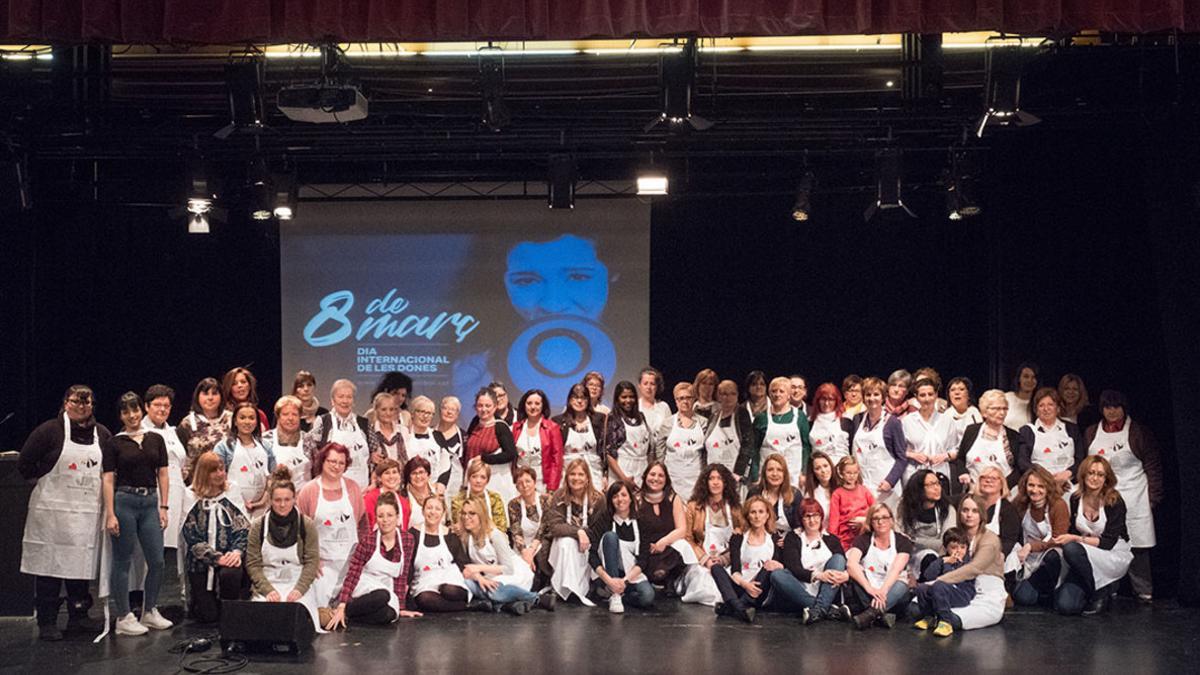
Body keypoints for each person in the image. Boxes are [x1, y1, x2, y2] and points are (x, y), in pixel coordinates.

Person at [19, 385, 110, 641]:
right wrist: (40, 483)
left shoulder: (101, 434)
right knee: (49, 566)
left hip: (85, 515)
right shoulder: (49, 431)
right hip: (52, 514)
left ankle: (79, 615)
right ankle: (47, 620)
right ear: (65, 403)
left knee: (81, 565)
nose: (81, 407)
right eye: (76, 402)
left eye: (87, 403)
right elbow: (25, 463)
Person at [102, 392, 172, 636]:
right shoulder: (114, 442)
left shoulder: (156, 439)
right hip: (125, 501)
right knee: (122, 560)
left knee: (158, 560)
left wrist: (164, 506)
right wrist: (110, 513)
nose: (131, 416)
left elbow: (163, 473)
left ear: (142, 410)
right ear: (120, 415)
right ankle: (123, 616)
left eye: (134, 410)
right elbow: (108, 479)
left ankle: (150, 610)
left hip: (150, 502)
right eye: (125, 412)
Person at [1084, 390, 1162, 602]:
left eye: (1116, 406)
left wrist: (1153, 497)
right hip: (1102, 496)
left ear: (1124, 408)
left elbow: (1152, 466)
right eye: (1107, 407)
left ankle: (1143, 591)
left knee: (1138, 546)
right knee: (1106, 543)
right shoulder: (1092, 432)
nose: (1112, 411)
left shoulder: (1138, 432)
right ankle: (1110, 589)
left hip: (1134, 493)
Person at [913, 494, 1008, 635]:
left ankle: (943, 620)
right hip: (951, 584)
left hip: (984, 586)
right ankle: (934, 617)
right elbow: (940, 561)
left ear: (981, 514)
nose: (969, 515)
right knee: (913, 609)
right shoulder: (954, 534)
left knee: (954, 619)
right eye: (965, 510)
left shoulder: (990, 539)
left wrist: (939, 581)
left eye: (974, 511)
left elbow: (974, 568)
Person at [245, 466, 323, 632]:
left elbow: (311, 561)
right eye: (278, 500)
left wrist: (299, 590)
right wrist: (267, 590)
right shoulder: (258, 526)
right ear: (270, 500)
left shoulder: (306, 524)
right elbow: (252, 563)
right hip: (268, 582)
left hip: (297, 581)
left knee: (297, 622)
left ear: (294, 499)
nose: (282, 505)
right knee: (263, 625)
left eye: (287, 500)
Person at [1053, 456, 1134, 615]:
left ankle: (1101, 591)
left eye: (1100, 474)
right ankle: (1094, 586)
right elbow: (1075, 529)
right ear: (1083, 475)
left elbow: (1108, 543)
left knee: (1071, 548)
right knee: (1065, 606)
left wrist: (1076, 539)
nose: (1095, 478)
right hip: (1085, 555)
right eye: (1091, 473)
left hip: (1111, 554)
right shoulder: (1076, 498)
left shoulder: (1114, 501)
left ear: (1106, 479)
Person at [326, 492, 422, 628]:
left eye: (390, 515)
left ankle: (349, 617)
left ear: (397, 517)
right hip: (365, 587)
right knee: (381, 596)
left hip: (388, 589)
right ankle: (345, 610)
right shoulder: (368, 541)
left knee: (389, 615)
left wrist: (400, 608)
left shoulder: (407, 540)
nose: (385, 520)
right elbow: (353, 573)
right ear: (376, 518)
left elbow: (402, 575)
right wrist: (342, 604)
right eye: (381, 516)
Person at [181, 452, 250, 623]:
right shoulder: (190, 496)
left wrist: (235, 552)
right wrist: (215, 558)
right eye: (214, 471)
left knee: (231, 575)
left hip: (229, 557)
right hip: (201, 562)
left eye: (222, 469)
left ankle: (231, 607)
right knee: (208, 616)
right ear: (204, 473)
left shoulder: (231, 491)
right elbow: (192, 537)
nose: (220, 474)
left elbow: (242, 527)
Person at [297, 443, 367, 608]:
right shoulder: (309, 491)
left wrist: (362, 559)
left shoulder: (353, 488)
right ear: (322, 461)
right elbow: (300, 532)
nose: (336, 466)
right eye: (332, 462)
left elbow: (363, 526)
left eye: (341, 463)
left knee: (380, 599)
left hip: (351, 563)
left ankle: (346, 612)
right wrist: (310, 561)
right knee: (319, 605)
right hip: (323, 566)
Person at [460, 495, 552, 614]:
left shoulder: (494, 536)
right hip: (490, 577)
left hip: (513, 573)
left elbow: (508, 569)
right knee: (465, 583)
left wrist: (478, 568)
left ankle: (535, 598)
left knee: (494, 591)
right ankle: (507, 605)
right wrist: (480, 577)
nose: (466, 517)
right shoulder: (467, 538)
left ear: (481, 515)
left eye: (472, 513)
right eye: (464, 513)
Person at [538, 459, 607, 605]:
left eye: (581, 474)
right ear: (567, 477)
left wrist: (584, 535)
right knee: (566, 543)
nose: (576, 478)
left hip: (589, 543)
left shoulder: (598, 499)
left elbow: (599, 529)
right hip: (562, 541)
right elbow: (555, 527)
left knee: (576, 545)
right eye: (572, 474)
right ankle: (562, 587)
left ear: (587, 478)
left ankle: (581, 588)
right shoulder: (559, 496)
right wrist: (578, 532)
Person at [771, 498, 849, 624]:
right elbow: (794, 568)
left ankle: (818, 609)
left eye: (816, 515)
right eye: (807, 516)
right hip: (801, 587)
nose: (812, 520)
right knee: (777, 575)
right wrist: (819, 576)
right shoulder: (793, 537)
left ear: (821, 516)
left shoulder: (832, 539)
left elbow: (842, 564)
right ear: (801, 519)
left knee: (838, 559)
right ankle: (826, 609)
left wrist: (846, 575)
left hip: (827, 588)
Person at [711, 496, 779, 624]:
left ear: (767, 515)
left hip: (759, 589)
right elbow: (735, 571)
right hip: (741, 584)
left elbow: (778, 566)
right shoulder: (738, 537)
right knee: (715, 568)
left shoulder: (775, 538)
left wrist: (778, 565)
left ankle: (731, 607)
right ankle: (741, 608)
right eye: (753, 512)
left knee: (769, 566)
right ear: (747, 516)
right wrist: (745, 585)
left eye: (761, 512)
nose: (757, 516)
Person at [408, 495, 480, 613]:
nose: (433, 512)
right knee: (425, 599)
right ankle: (467, 607)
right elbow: (408, 565)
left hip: (448, 577)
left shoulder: (450, 535)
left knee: (448, 590)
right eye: (429, 508)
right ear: (423, 510)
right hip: (424, 580)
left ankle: (452, 602)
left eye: (437, 509)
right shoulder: (412, 534)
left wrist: (479, 579)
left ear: (443, 513)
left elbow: (462, 562)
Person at [139, 384, 189, 556]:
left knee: (168, 552)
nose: (162, 409)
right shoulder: (137, 431)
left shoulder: (175, 432)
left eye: (166, 406)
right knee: (147, 550)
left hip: (176, 497)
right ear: (146, 406)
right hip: (150, 498)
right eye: (157, 405)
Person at [845, 503, 912, 629]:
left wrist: (883, 591)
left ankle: (870, 614)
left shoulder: (903, 541)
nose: (881, 522)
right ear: (871, 522)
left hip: (891, 590)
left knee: (902, 585)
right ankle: (881, 616)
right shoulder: (863, 539)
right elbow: (851, 564)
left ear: (891, 520)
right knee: (855, 577)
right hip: (869, 592)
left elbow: (896, 569)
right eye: (876, 519)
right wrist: (870, 588)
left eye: (884, 518)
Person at [1010, 466, 1069, 607]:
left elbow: (1058, 538)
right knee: (1023, 598)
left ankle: (1054, 589)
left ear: (1048, 487)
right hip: (1029, 558)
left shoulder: (1058, 505)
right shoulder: (1021, 503)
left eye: (1040, 486)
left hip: (1053, 555)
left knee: (1052, 557)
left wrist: (1031, 546)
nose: (1035, 490)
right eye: (1031, 485)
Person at [593, 480, 655, 613]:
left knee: (647, 597)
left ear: (631, 498)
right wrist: (610, 581)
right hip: (609, 573)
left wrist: (624, 582)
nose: (620, 499)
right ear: (610, 501)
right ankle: (614, 595)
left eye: (623, 495)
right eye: (615, 496)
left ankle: (622, 595)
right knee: (610, 537)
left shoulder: (642, 522)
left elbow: (644, 559)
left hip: (631, 575)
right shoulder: (605, 519)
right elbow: (591, 555)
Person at [849, 377, 906, 509]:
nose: (872, 398)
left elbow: (902, 458)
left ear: (883, 397)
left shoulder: (893, 422)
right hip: (862, 487)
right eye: (868, 395)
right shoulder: (857, 419)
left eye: (876, 394)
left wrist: (890, 481)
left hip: (886, 489)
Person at [304, 379, 372, 490]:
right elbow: (311, 453)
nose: (345, 401)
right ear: (332, 400)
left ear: (353, 401)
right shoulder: (323, 422)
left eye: (349, 397)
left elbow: (376, 454)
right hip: (330, 487)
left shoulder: (364, 423)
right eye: (341, 397)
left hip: (361, 488)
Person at [213, 401, 276, 518]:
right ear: (235, 421)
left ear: (257, 422)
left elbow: (273, 475)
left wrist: (264, 498)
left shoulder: (266, 446)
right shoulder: (223, 447)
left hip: (262, 507)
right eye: (242, 418)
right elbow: (216, 478)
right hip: (231, 506)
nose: (247, 422)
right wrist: (237, 500)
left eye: (251, 418)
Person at [1017, 387, 1085, 493]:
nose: (1046, 409)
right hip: (1038, 485)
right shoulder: (1027, 431)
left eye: (1050, 405)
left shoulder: (1072, 429)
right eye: (1041, 405)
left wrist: (1068, 473)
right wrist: (1044, 478)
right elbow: (1023, 462)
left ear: (1057, 408)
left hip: (1068, 484)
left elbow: (1080, 458)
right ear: (1036, 410)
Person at [635, 462, 689, 588]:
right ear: (645, 476)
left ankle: (670, 578)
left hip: (669, 545)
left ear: (666, 479)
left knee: (681, 547)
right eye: (652, 474)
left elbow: (682, 529)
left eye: (661, 476)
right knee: (655, 570)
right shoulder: (637, 499)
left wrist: (664, 542)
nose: (656, 479)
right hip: (648, 549)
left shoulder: (673, 498)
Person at [896, 468, 958, 580]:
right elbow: (899, 536)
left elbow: (947, 542)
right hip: (908, 556)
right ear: (919, 488)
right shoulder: (903, 508)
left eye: (937, 483)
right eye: (931, 485)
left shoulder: (947, 510)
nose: (937, 488)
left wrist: (914, 541)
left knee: (930, 558)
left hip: (938, 556)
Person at [955, 389, 1020, 491]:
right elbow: (960, 459)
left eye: (1004, 409)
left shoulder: (1013, 436)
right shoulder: (971, 431)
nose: (1002, 413)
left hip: (1003, 494)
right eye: (996, 409)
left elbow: (1018, 470)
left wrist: (1002, 486)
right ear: (984, 412)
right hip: (973, 493)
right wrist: (964, 473)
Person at [753, 376, 812, 486]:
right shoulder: (761, 418)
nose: (777, 394)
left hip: (793, 475)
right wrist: (755, 475)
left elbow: (806, 446)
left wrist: (804, 473)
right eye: (774, 391)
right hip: (767, 475)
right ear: (769, 394)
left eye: (781, 391)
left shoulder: (800, 417)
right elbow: (755, 448)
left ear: (789, 395)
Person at [684, 464, 744, 571]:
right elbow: (688, 538)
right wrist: (704, 559)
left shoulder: (735, 508)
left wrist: (724, 559)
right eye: (711, 479)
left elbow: (744, 538)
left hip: (728, 562)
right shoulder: (693, 507)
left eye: (719, 478)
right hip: (701, 562)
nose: (715, 482)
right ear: (705, 482)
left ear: (725, 482)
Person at [465, 388, 519, 504]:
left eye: (488, 406)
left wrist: (485, 459)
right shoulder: (475, 422)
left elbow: (511, 454)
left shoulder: (500, 426)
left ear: (495, 407)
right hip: (474, 481)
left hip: (495, 482)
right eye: (480, 405)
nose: (484, 409)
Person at [655, 383, 708, 497]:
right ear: (676, 401)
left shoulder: (704, 423)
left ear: (694, 399)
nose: (685, 401)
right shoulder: (667, 423)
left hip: (696, 478)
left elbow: (706, 452)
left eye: (688, 397)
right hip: (672, 478)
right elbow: (660, 451)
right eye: (681, 398)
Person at [901, 378, 955, 485]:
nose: (927, 399)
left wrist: (944, 456)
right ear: (916, 397)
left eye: (930, 394)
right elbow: (899, 450)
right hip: (915, 474)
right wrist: (914, 455)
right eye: (922, 395)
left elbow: (956, 449)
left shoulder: (947, 420)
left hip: (940, 474)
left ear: (936, 395)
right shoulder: (907, 421)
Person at [554, 382, 608, 489]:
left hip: (594, 472)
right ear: (569, 400)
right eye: (575, 397)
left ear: (588, 400)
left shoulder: (599, 419)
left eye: (583, 398)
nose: (579, 401)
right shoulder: (558, 421)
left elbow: (605, 449)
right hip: (568, 473)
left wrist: (605, 474)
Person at [700, 380, 755, 484]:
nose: (728, 397)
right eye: (724, 394)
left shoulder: (742, 414)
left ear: (737, 395)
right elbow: (705, 448)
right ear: (718, 396)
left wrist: (738, 473)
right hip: (713, 477)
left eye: (732, 394)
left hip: (734, 477)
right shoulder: (714, 416)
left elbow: (748, 444)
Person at [177, 377, 231, 482]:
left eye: (214, 394)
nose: (210, 398)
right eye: (205, 394)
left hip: (226, 483)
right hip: (196, 484)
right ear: (197, 397)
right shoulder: (187, 423)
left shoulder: (231, 420)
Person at [512, 388, 565, 493]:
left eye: (537, 403)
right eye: (529, 403)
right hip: (519, 480)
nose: (533, 407)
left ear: (543, 406)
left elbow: (557, 461)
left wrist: (552, 487)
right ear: (524, 405)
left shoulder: (552, 428)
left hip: (542, 481)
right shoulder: (516, 427)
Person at [975, 465, 1022, 581]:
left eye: (993, 478)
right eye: (984, 478)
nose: (988, 480)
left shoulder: (1008, 509)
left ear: (1002, 484)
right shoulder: (970, 503)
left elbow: (1009, 540)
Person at [604, 381, 653, 487]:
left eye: (631, 397)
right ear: (617, 399)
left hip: (642, 469)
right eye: (624, 397)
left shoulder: (641, 416)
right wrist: (623, 478)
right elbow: (609, 454)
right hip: (622, 470)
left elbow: (648, 449)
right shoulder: (613, 418)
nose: (628, 400)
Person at [508, 466, 552, 573]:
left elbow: (544, 527)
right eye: (520, 483)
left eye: (528, 481)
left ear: (534, 482)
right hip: (522, 547)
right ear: (516, 487)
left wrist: (532, 549)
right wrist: (524, 552)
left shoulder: (547, 499)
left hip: (542, 543)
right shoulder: (513, 504)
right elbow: (516, 531)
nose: (524, 486)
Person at [748, 453, 803, 537]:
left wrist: (789, 539)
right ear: (764, 473)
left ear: (785, 474)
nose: (775, 474)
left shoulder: (795, 494)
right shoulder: (754, 493)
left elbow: (800, 526)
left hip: (788, 541)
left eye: (779, 470)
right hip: (760, 539)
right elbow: (746, 520)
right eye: (770, 470)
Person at [264, 395, 310, 494]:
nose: (290, 418)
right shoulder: (265, 440)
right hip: (274, 497)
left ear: (300, 416)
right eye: (285, 414)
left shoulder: (309, 440)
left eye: (294, 414)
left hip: (303, 497)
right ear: (278, 416)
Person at [451, 457, 509, 533]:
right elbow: (459, 526)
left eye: (483, 477)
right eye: (474, 476)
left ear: (487, 481)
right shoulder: (457, 500)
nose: (478, 481)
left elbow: (501, 528)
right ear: (469, 478)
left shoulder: (495, 498)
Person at [828, 456, 874, 552]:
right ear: (841, 474)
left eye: (855, 473)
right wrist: (832, 542)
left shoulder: (864, 490)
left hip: (865, 534)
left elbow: (876, 510)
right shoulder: (837, 494)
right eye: (848, 473)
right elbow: (834, 521)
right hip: (846, 537)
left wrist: (865, 521)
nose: (852, 476)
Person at [408, 396, 453, 492]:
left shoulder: (438, 436)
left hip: (434, 489)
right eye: (421, 412)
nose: (425, 416)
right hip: (410, 489)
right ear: (412, 414)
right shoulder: (404, 435)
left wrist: (442, 483)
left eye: (429, 413)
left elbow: (446, 463)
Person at [808, 383, 853, 464]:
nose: (826, 403)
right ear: (817, 400)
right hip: (820, 470)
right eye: (823, 399)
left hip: (843, 470)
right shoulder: (810, 423)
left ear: (837, 401)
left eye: (831, 399)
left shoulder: (846, 421)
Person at [363, 459, 411, 532]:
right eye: (387, 473)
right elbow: (367, 527)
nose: (391, 476)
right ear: (379, 478)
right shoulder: (370, 498)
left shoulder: (404, 502)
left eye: (394, 472)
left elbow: (405, 529)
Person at [433, 396, 467, 497]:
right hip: (434, 486)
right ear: (440, 411)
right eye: (445, 408)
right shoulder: (430, 434)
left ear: (457, 414)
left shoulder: (464, 437)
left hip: (457, 488)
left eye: (453, 410)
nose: (449, 412)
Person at [944, 377, 983, 461]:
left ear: (968, 394)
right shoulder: (945, 415)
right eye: (953, 390)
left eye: (961, 389)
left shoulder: (974, 413)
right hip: (950, 459)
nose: (957, 393)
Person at [221, 366, 269, 431]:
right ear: (229, 388)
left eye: (243, 382)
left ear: (249, 386)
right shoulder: (222, 416)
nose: (240, 385)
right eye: (234, 383)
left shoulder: (260, 415)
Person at [367, 392, 407, 468]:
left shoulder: (403, 431)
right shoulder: (370, 433)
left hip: (402, 477)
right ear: (376, 410)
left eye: (391, 409)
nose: (388, 413)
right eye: (383, 409)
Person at [401, 457, 440, 530]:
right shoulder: (403, 497)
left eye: (421, 472)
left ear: (428, 474)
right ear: (408, 477)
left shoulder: (438, 492)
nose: (418, 476)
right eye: (414, 473)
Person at [805, 451, 837, 531]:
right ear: (813, 472)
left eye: (825, 466)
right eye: (818, 468)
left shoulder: (842, 488)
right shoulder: (811, 495)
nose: (823, 470)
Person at [1005, 362, 1040, 430]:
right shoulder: (1006, 398)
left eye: (1033, 377)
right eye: (1026, 376)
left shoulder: (1040, 403)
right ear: (1019, 379)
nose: (1030, 380)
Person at [637, 367, 671, 434]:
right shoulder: (635, 407)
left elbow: (669, 431)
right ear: (639, 386)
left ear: (657, 386)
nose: (648, 387)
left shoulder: (664, 407)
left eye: (652, 384)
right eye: (645, 383)